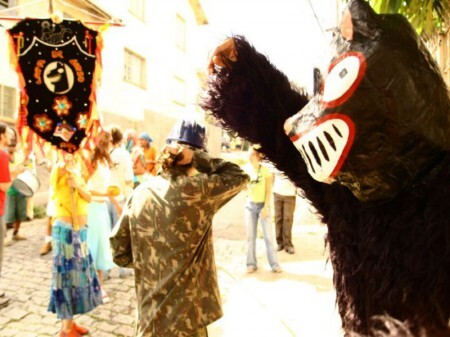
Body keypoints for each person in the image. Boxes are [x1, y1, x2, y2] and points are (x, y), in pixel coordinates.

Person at [110, 119, 249, 337]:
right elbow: (238, 175)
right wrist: (197, 157)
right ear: (192, 157)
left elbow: (119, 252)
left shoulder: (140, 193)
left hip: (147, 323)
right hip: (186, 323)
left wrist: (155, 265)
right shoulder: (197, 191)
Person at [47, 155, 102, 337]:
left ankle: (69, 323)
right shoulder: (59, 169)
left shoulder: (77, 170)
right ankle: (66, 329)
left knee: (77, 277)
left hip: (79, 231)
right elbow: (55, 186)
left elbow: (88, 197)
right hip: (66, 232)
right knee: (67, 277)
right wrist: (64, 166)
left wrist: (77, 184)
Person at [85, 130, 116, 302]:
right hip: (92, 207)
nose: (110, 141)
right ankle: (91, 287)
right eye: (107, 138)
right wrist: (102, 193)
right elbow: (83, 186)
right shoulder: (92, 161)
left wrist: (109, 194)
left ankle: (99, 286)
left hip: (102, 207)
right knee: (92, 247)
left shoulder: (105, 160)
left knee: (102, 248)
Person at [242, 147, 281, 273]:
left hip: (263, 205)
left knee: (268, 236)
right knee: (250, 236)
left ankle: (274, 264)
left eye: (253, 154)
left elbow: (269, 191)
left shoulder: (266, 171)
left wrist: (266, 206)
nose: (251, 155)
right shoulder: (245, 169)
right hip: (250, 205)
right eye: (250, 153)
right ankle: (251, 264)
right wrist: (246, 189)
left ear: (258, 156)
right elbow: (242, 186)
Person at [0, 124, 15, 308]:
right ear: (2, 135)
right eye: (8, 134)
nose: (10, 137)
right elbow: (5, 186)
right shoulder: (2, 154)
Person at [4, 142, 28, 245]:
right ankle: (4, 237)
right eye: (10, 145)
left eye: (13, 145)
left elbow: (25, 166)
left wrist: (24, 168)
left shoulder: (19, 156)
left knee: (20, 213)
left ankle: (16, 233)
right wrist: (14, 171)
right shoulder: (3, 156)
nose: (12, 147)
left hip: (20, 188)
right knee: (7, 215)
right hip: (8, 190)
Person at [272, 169, 297, 254]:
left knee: (288, 219)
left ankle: (288, 244)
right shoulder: (275, 160)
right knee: (278, 218)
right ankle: (279, 243)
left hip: (290, 194)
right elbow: (272, 174)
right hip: (277, 193)